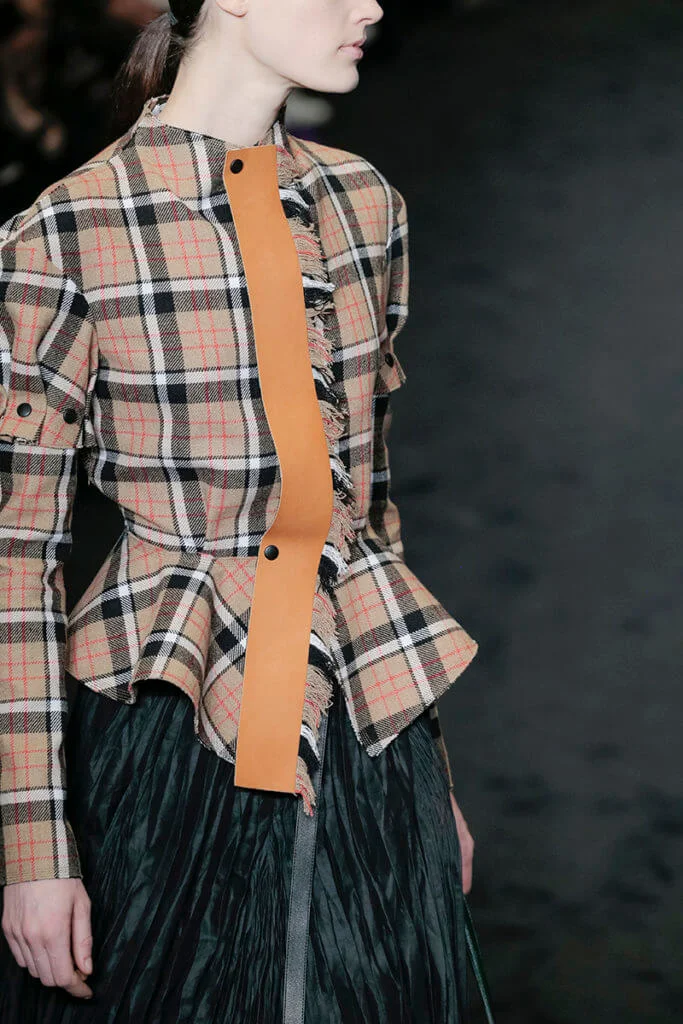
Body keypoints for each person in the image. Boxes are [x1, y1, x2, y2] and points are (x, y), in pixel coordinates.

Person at [0, 0, 481, 1019]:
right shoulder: (68, 228)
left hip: (363, 739)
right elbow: (15, 557)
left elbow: (369, 515)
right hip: (170, 724)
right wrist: (34, 851)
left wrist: (430, 775)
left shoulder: (363, 202)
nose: (370, 6)